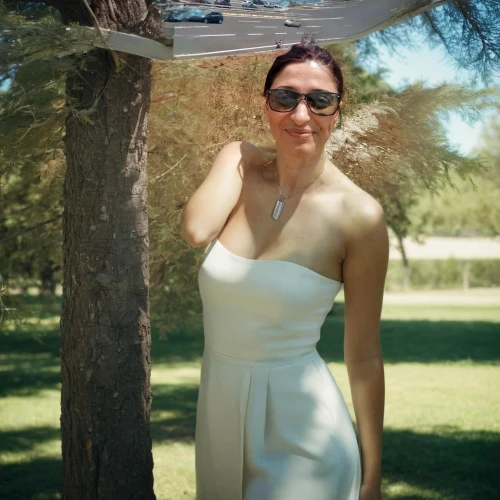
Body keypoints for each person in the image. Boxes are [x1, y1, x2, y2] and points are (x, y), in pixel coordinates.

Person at [181, 42, 387, 500]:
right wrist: (242, 156)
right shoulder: (238, 164)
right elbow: (196, 229)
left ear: (337, 110)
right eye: (284, 98)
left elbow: (364, 356)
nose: (300, 115)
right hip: (220, 415)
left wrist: (372, 479)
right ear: (266, 104)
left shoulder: (360, 216)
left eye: (319, 100)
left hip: (305, 436)